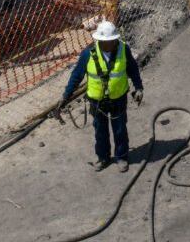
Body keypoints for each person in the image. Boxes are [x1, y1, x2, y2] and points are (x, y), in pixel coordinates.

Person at [60, 20, 144, 172]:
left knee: (120, 129)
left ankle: (122, 157)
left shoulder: (123, 49)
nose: (110, 44)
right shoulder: (88, 53)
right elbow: (76, 75)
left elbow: (132, 68)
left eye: (112, 41)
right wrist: (66, 95)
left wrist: (139, 87)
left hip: (118, 98)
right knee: (100, 131)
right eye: (106, 41)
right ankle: (103, 158)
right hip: (97, 101)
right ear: (99, 40)